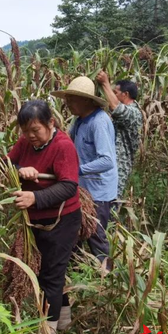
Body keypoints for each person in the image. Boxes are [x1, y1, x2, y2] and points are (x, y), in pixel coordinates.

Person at [6, 100, 82, 334]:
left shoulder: (62, 146)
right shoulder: (25, 142)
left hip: (62, 222)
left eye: (35, 130)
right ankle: (64, 324)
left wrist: (35, 198)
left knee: (51, 276)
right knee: (47, 273)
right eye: (25, 131)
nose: (30, 136)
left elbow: (69, 186)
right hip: (36, 222)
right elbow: (7, 162)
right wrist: (19, 169)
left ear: (50, 123)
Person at [52, 76, 117, 266]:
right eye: (68, 98)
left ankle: (108, 278)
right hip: (83, 188)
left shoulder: (99, 122)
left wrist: (75, 170)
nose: (68, 103)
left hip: (98, 192)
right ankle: (77, 273)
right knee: (75, 232)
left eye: (73, 99)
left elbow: (107, 161)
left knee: (96, 235)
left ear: (87, 100)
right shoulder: (79, 121)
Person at [96, 71, 143, 199]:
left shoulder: (134, 113)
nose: (112, 95)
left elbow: (115, 107)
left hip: (119, 170)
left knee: (111, 203)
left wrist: (105, 83)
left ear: (125, 94)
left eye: (115, 92)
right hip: (108, 169)